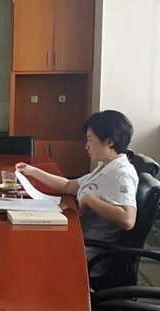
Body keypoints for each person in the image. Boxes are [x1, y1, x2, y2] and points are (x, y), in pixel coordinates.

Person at [15, 110, 138, 266]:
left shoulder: (121, 174)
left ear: (109, 142)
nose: (86, 146)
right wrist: (32, 171)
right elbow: (68, 185)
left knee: (25, 248)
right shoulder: (106, 167)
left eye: (90, 140)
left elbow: (127, 220)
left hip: (88, 252)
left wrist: (90, 200)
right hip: (77, 236)